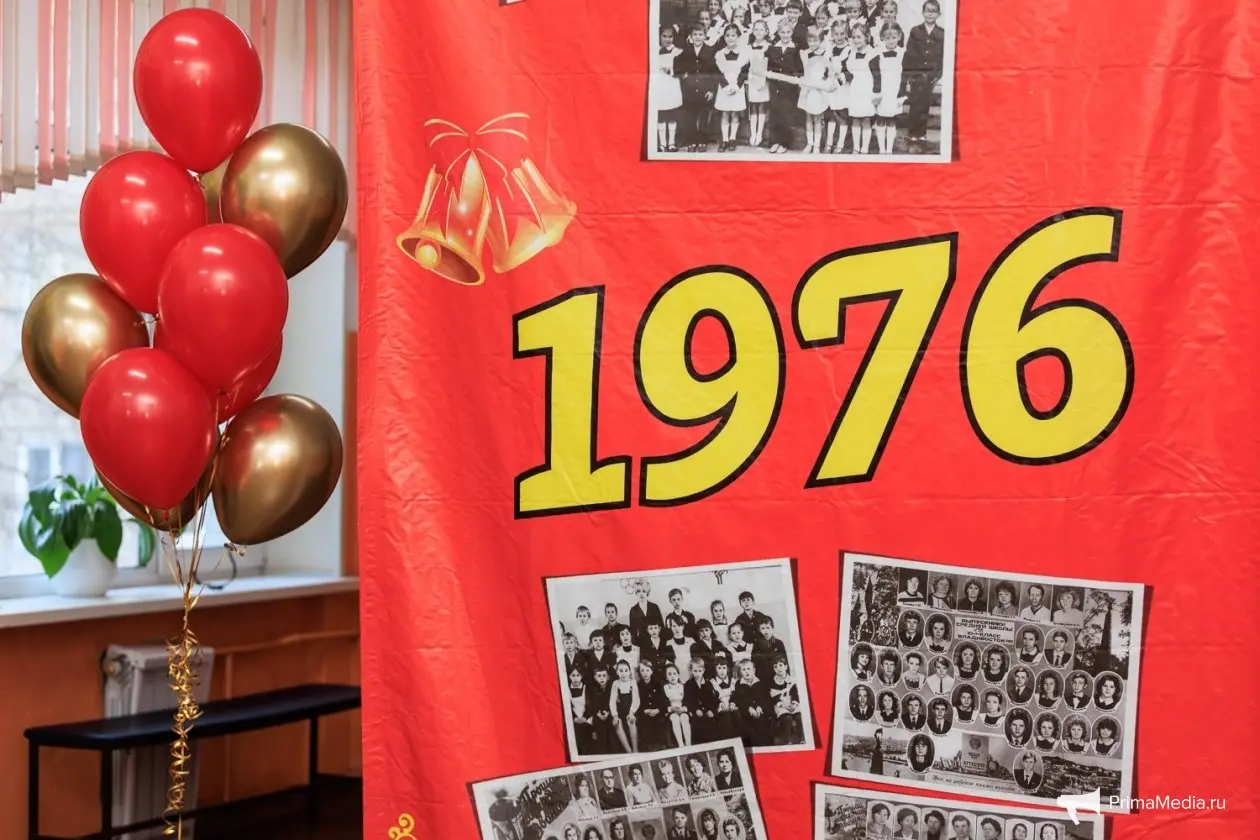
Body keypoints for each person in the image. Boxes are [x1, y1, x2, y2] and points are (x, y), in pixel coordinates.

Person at [901, 0, 944, 151]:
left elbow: (942, 56)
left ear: (939, 14)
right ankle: (912, 134)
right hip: (916, 74)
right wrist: (911, 73)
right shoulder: (915, 31)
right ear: (922, 12)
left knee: (924, 105)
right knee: (914, 104)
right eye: (927, 10)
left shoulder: (941, 33)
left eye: (933, 11)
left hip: (931, 75)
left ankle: (921, 135)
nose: (930, 13)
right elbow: (910, 52)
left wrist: (937, 74)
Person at [675, 23, 718, 152]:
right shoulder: (686, 51)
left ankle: (702, 140)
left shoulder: (710, 51)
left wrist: (712, 90)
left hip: (705, 89)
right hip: (690, 89)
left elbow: (714, 72)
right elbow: (677, 63)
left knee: (704, 115)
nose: (697, 37)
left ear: (705, 36)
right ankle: (692, 140)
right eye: (695, 34)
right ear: (690, 36)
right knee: (690, 116)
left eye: (700, 34)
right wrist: (682, 75)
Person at [796, 25, 834, 153]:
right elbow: (802, 71)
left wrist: (824, 82)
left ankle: (817, 145)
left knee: (818, 118)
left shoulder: (826, 55)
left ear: (821, 40)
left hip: (819, 90)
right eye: (810, 41)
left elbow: (829, 72)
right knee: (808, 117)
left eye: (815, 40)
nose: (812, 43)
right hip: (808, 88)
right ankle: (809, 143)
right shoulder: (805, 54)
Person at [870, 22, 906, 154]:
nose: (891, 41)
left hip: (895, 91)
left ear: (899, 37)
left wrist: (901, 95)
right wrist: (876, 92)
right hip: (882, 90)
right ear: (882, 38)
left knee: (891, 119)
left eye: (894, 37)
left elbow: (905, 75)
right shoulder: (877, 52)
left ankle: (889, 150)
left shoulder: (903, 53)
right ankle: (882, 149)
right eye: (887, 38)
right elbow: (874, 73)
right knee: (880, 118)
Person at [713, 25, 751, 151]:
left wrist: (736, 86)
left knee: (735, 113)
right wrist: (725, 87)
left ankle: (732, 139)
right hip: (724, 87)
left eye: (733, 35)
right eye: (727, 36)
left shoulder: (744, 54)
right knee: (725, 113)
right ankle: (724, 140)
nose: (730, 38)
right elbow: (718, 73)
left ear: (738, 37)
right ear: (724, 37)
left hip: (737, 87)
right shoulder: (719, 54)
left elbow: (744, 72)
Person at [824, 19, 852, 152]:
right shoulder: (829, 49)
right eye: (836, 34)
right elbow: (824, 66)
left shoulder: (849, 50)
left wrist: (842, 76)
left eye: (842, 34)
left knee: (842, 114)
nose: (839, 37)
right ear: (832, 34)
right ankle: (829, 143)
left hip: (842, 86)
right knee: (831, 115)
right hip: (830, 85)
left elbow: (851, 69)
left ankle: (840, 144)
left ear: (846, 34)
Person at [744, 19, 772, 148]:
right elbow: (745, 63)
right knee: (753, 105)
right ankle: (753, 134)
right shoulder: (748, 47)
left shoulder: (769, 47)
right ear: (753, 31)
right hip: (752, 79)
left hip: (764, 79)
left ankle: (759, 134)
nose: (759, 32)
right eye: (756, 29)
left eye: (761, 29)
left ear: (766, 32)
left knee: (762, 105)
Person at [733, 658, 771, 744]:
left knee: (763, 723)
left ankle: (764, 743)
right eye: (743, 669)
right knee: (747, 726)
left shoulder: (761, 682)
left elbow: (765, 697)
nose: (746, 672)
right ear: (740, 672)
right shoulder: (738, 684)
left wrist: (760, 706)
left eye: (748, 669)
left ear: (754, 670)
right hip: (747, 711)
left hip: (760, 709)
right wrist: (749, 708)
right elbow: (740, 699)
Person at [769, 655, 803, 744]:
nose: (778, 668)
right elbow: (773, 697)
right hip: (781, 705)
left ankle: (802, 738)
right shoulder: (772, 682)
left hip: (792, 702)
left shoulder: (792, 680)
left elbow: (795, 694)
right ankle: (788, 740)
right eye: (775, 667)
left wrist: (794, 703)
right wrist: (781, 704)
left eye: (780, 665)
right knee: (787, 718)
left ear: (786, 667)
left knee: (799, 717)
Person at [637, 659, 669, 751]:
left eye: (647, 670)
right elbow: (636, 704)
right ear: (639, 672)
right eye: (642, 670)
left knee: (660, 730)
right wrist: (644, 711)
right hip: (644, 715)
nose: (645, 673)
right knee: (645, 732)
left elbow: (664, 701)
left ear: (651, 671)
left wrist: (658, 710)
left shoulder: (658, 684)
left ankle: (661, 747)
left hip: (658, 714)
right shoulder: (637, 686)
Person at [611, 660, 641, 753]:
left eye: (626, 670)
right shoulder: (615, 683)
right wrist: (615, 715)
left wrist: (631, 713)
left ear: (630, 671)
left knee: (631, 721)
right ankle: (628, 750)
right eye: (621, 671)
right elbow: (612, 701)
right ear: (617, 672)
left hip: (632, 711)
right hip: (620, 712)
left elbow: (636, 700)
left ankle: (635, 749)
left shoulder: (633, 682)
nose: (623, 673)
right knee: (617, 723)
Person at [684, 658, 717, 743]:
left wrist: (711, 710)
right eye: (695, 671)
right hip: (696, 713)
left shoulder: (708, 683)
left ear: (703, 670)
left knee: (713, 726)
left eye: (700, 671)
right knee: (699, 728)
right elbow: (687, 701)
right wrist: (695, 710)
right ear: (691, 671)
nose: (698, 673)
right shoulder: (688, 685)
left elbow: (712, 700)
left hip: (708, 711)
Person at [752, 615, 789, 684]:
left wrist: (787, 679)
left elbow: (785, 662)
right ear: (759, 630)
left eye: (768, 628)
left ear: (772, 628)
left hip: (778, 676)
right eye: (763, 628)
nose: (766, 631)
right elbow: (754, 662)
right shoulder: (756, 644)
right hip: (762, 677)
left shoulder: (779, 643)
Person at [663, 663, 692, 747]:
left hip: (682, 709)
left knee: (684, 717)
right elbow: (664, 701)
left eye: (674, 674)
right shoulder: (665, 688)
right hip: (671, 711)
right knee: (675, 718)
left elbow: (687, 700)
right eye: (669, 674)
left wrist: (683, 708)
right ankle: (681, 744)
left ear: (678, 675)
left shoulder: (683, 687)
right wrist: (671, 708)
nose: (672, 676)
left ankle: (688, 744)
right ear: (666, 677)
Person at [710, 657, 740, 739]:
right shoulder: (712, 682)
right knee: (726, 720)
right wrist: (719, 704)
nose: (722, 671)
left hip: (733, 707)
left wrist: (733, 703)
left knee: (737, 716)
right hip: (720, 709)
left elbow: (736, 695)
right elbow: (711, 698)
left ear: (727, 669)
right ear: (715, 669)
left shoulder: (733, 681)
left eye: (724, 668)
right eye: (719, 668)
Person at [629, 580, 666, 646]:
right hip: (642, 643)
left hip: (656, 642)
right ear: (636, 593)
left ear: (647, 593)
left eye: (644, 591)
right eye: (639, 591)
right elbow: (633, 632)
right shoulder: (633, 610)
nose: (641, 594)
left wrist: (661, 643)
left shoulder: (654, 607)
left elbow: (661, 626)